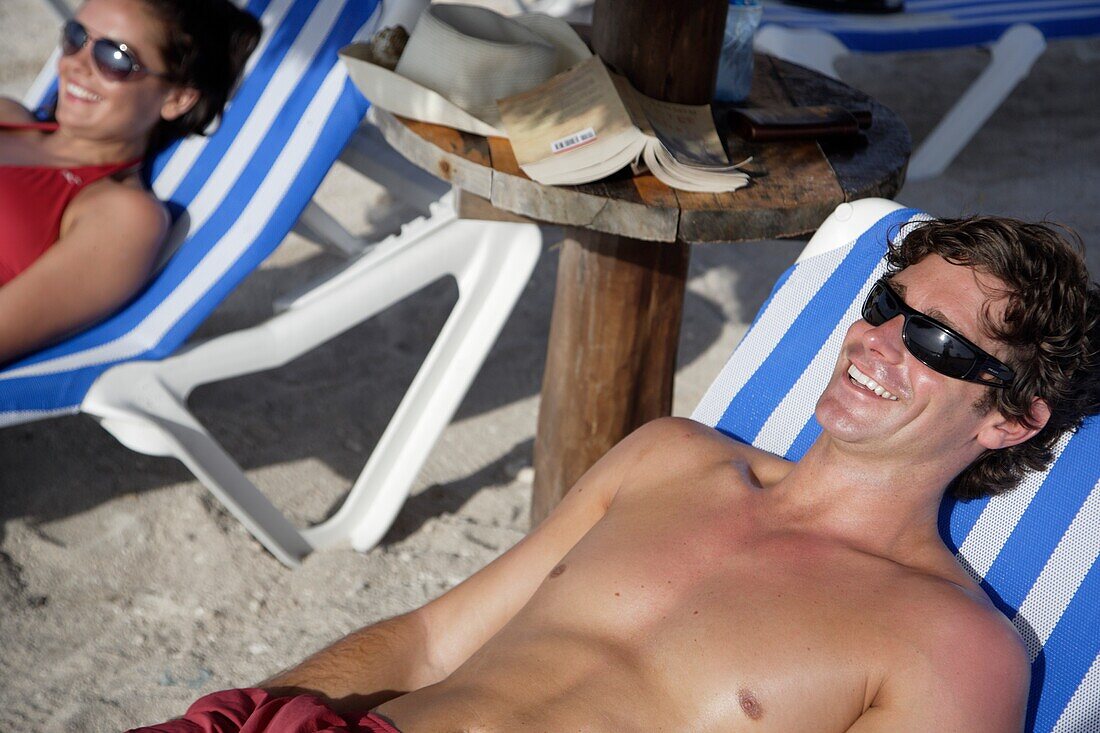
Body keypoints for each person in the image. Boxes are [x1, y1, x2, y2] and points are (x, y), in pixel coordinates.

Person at [134, 217, 1099, 732]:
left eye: (932, 339)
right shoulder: (671, 457)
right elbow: (430, 641)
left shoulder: (953, 646)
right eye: (888, 303)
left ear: (1011, 415)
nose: (877, 341)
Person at [0, 0, 260, 364]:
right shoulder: (7, 113)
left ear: (177, 97)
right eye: (76, 37)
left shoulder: (122, 215)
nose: (76, 64)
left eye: (115, 58)